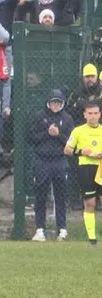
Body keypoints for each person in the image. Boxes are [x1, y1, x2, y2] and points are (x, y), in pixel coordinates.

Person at [30, 89, 73, 242]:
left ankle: (62, 229)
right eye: (54, 102)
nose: (56, 105)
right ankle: (39, 229)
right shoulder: (39, 116)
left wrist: (58, 134)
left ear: (62, 103)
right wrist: (47, 133)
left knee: (60, 196)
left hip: (60, 161)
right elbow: (32, 138)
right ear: (48, 102)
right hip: (42, 161)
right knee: (40, 195)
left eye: (59, 102)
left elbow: (70, 141)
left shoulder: (67, 119)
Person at [64, 101, 102, 246]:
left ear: (99, 114)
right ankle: (92, 238)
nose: (93, 116)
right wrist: (81, 152)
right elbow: (67, 150)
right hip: (86, 168)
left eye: (95, 113)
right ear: (85, 115)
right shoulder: (78, 131)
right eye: (90, 113)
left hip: (101, 167)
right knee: (90, 202)